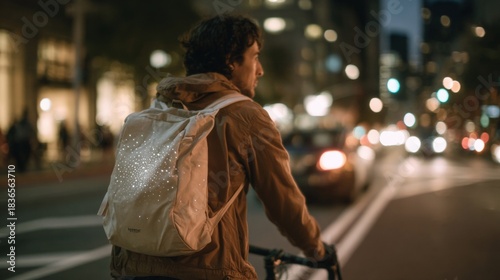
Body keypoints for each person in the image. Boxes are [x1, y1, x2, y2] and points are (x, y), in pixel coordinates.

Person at [110, 14, 332, 280]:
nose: (259, 69)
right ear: (231, 60)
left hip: (136, 267)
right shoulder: (247, 116)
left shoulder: (160, 108)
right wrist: (317, 249)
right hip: (208, 270)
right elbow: (284, 202)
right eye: (255, 56)